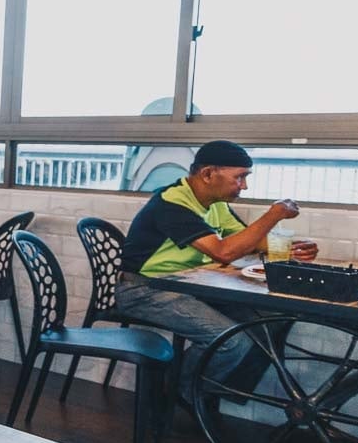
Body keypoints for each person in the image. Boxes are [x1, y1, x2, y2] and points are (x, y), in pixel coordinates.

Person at [116, 140, 318, 397]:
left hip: (189, 286)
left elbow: (247, 242)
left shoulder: (216, 203)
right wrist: (274, 214)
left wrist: (292, 247)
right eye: (239, 177)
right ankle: (178, 394)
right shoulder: (172, 203)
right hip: (143, 290)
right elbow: (224, 252)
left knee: (270, 321)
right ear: (208, 174)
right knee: (231, 342)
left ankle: (208, 393)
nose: (244, 186)